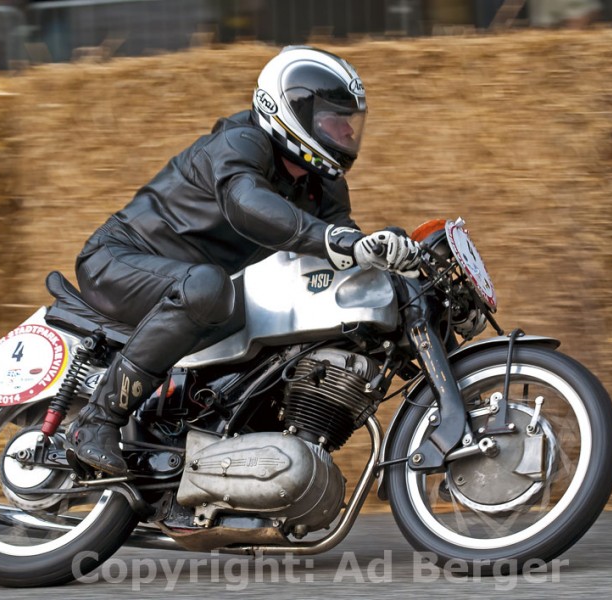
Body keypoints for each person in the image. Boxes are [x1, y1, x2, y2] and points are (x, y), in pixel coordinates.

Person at [65, 46, 422, 476]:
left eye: (350, 125)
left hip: (203, 294)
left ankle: (205, 457)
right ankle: (96, 421)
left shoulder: (322, 186)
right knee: (209, 288)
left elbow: (342, 252)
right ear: (292, 111)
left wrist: (387, 253)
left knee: (286, 337)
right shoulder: (240, 142)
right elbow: (247, 202)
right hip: (119, 261)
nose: (345, 135)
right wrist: (337, 239)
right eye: (333, 121)